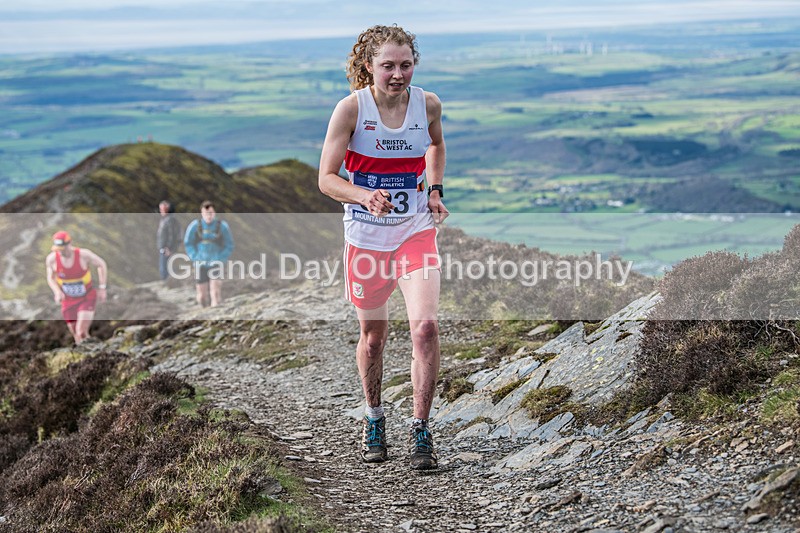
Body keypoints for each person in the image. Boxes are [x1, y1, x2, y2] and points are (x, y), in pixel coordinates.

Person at [318, 24, 448, 471]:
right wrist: (362, 195)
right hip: (366, 237)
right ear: (368, 66)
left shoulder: (427, 103)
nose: (398, 74)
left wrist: (435, 190)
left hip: (414, 229)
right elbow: (327, 179)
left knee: (425, 328)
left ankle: (420, 430)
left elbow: (435, 144)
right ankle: (374, 417)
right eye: (388, 66)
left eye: (406, 65)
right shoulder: (351, 110)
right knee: (373, 339)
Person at [44, 230, 108, 344]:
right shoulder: (52, 259)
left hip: (86, 297)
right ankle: (85, 355)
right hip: (68, 300)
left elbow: (101, 264)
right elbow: (50, 278)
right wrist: (57, 292)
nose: (61, 252)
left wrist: (102, 287)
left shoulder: (83, 255)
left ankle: (93, 353)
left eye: (63, 249)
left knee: (81, 331)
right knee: (75, 333)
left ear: (69, 244)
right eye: (58, 250)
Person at [183, 200, 234, 307]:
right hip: (200, 263)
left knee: (215, 293)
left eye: (211, 212)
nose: (209, 216)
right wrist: (195, 257)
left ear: (214, 213)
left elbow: (229, 245)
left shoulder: (222, 226)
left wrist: (221, 258)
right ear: (202, 213)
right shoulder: (194, 226)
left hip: (216, 261)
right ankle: (204, 310)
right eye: (206, 213)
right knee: (202, 296)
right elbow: (188, 243)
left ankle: (216, 313)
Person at [157, 200, 182, 281]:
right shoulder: (165, 219)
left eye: (162, 209)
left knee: (165, 268)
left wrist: (168, 247)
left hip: (166, 249)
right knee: (163, 268)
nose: (161, 211)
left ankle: (169, 283)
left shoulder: (170, 220)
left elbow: (171, 235)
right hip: (163, 248)